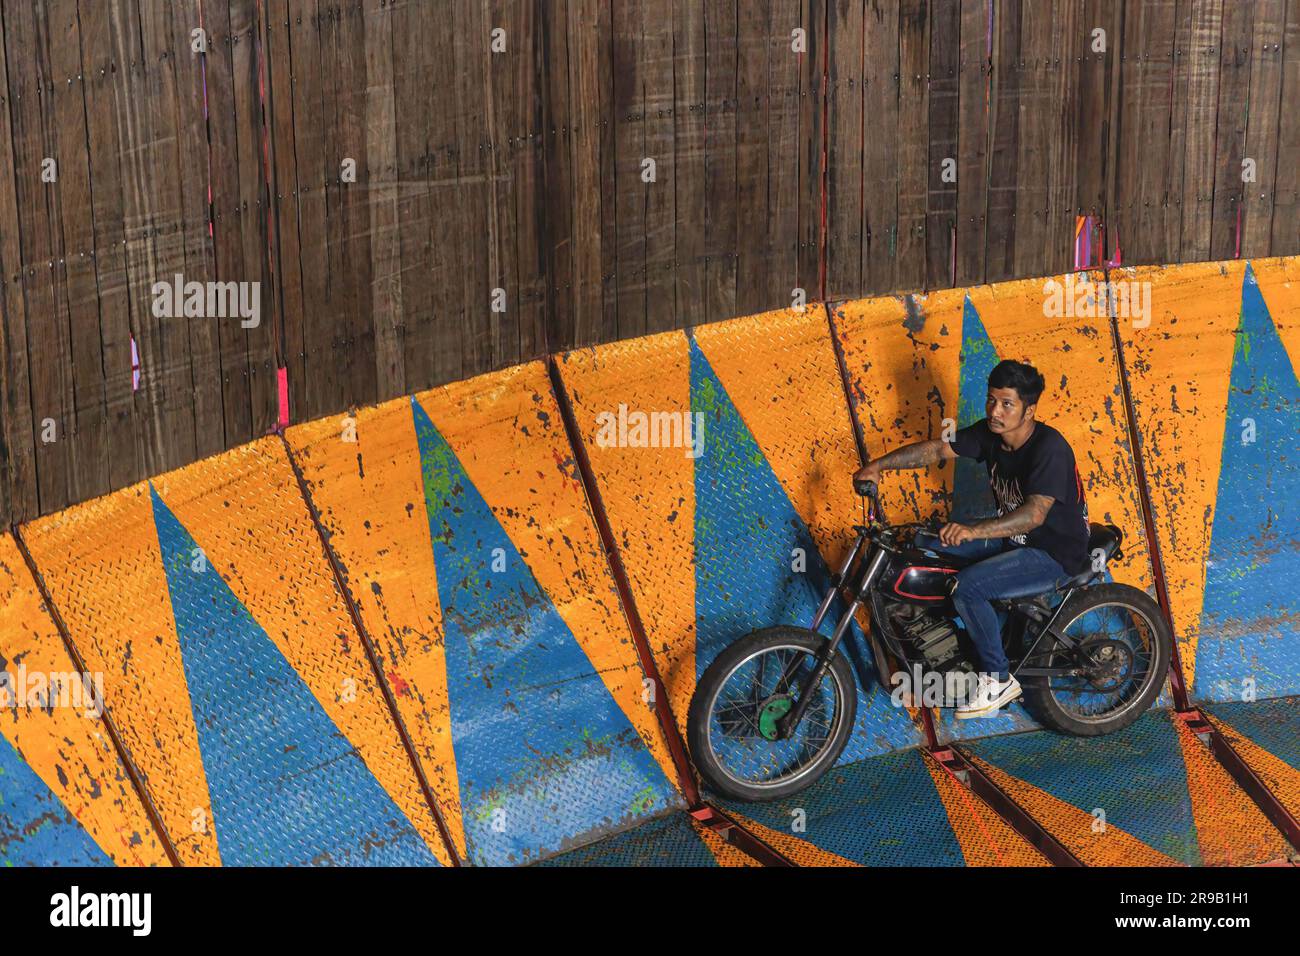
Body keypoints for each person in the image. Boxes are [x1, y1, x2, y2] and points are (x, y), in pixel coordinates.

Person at [853, 360, 1091, 718]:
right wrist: (878, 466)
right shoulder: (990, 435)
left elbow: (1034, 515)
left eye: (1007, 403)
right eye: (991, 400)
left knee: (969, 587)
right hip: (1015, 540)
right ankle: (950, 648)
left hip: (1053, 552)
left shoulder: (1050, 449)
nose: (996, 411)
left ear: (1030, 410)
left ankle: (998, 680)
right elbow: (937, 450)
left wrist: (973, 530)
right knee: (924, 543)